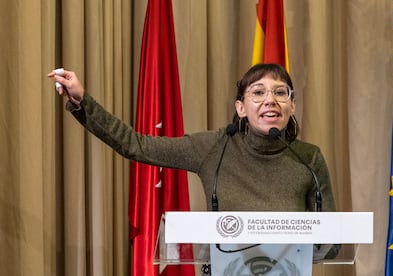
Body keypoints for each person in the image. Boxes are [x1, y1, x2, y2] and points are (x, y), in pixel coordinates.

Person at [48, 63, 339, 259]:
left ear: (292, 105)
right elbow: (135, 145)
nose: (270, 100)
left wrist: (293, 257)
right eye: (258, 92)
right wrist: (81, 101)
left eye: (280, 92)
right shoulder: (215, 147)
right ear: (240, 108)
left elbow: (331, 239)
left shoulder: (308, 157)